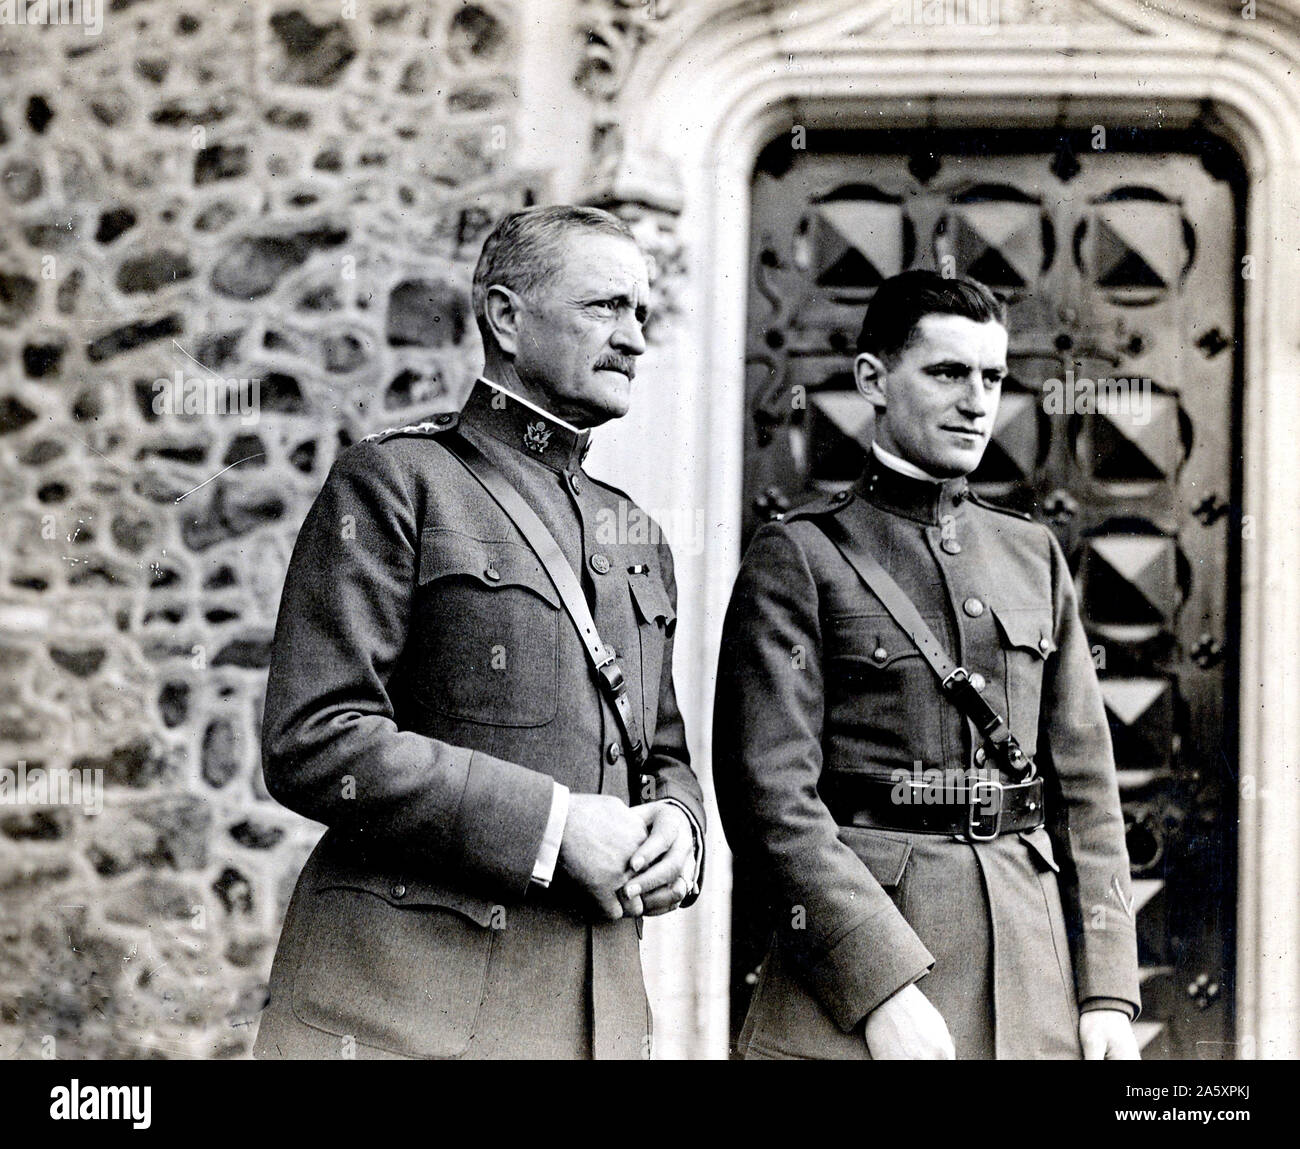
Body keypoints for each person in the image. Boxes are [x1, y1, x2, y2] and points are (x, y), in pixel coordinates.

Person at [253, 205, 704, 1061]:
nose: (635, 339)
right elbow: (314, 738)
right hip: (413, 1009)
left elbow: (662, 749)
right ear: (505, 315)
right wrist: (553, 825)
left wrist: (680, 827)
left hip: (595, 1014)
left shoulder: (633, 531)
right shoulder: (397, 484)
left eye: (641, 313)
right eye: (606, 307)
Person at [714, 269, 1140, 1060]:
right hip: (858, 979)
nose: (978, 400)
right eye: (947, 372)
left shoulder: (1033, 554)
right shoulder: (801, 557)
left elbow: (1086, 790)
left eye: (992, 376)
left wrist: (1108, 987)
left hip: (1030, 967)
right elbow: (769, 799)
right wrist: (876, 984)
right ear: (873, 379)